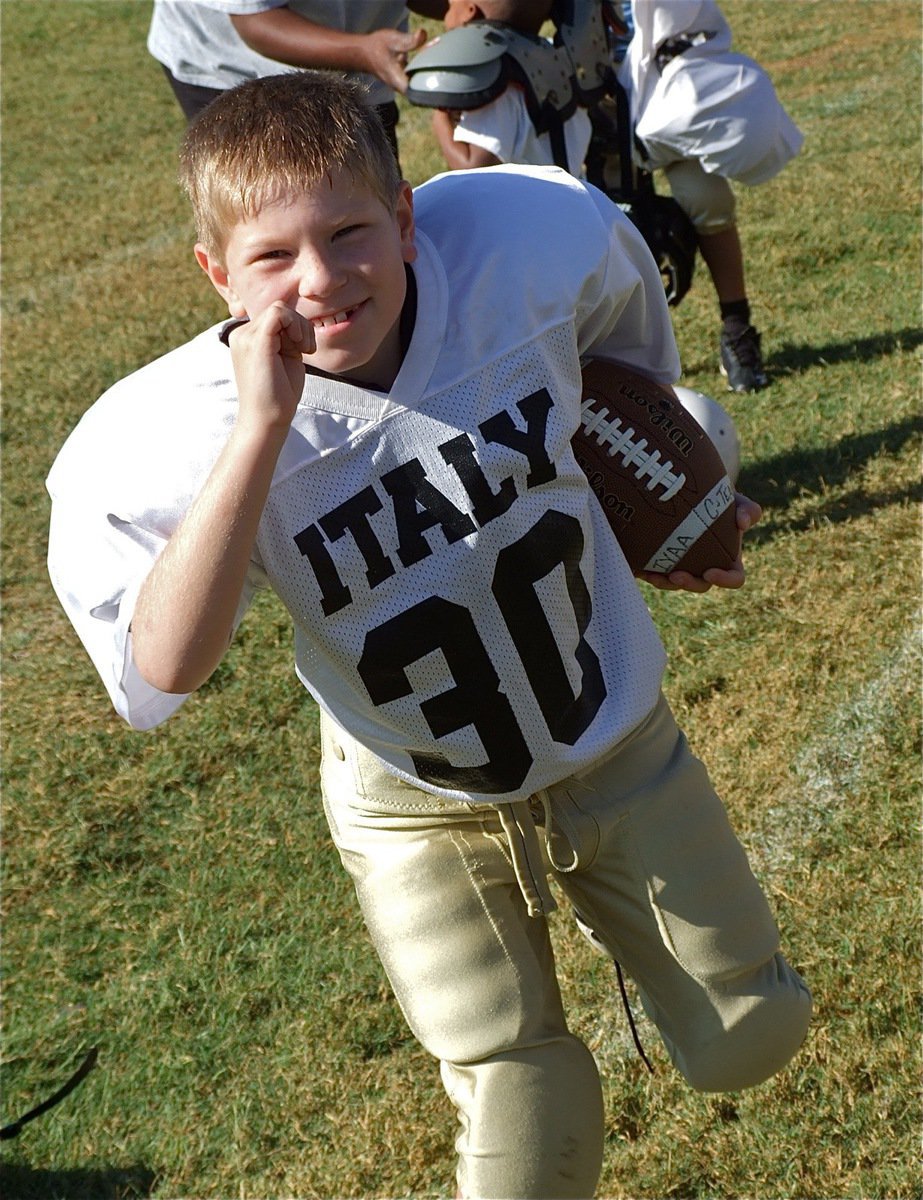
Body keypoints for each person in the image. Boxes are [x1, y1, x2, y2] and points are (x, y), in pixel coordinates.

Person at [46, 72, 811, 1199]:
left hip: (604, 722)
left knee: (752, 1034)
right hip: (414, 791)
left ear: (405, 215)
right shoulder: (166, 434)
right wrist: (261, 429)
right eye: (271, 258)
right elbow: (163, 667)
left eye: (349, 232)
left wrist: (661, 496)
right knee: (518, 1094)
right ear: (214, 273)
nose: (318, 281)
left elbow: (622, 365)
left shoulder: (525, 241)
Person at [616, 0, 804, 392]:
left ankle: (737, 331)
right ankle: (610, 363)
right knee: (606, 229)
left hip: (672, 87)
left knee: (709, 200)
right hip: (592, 95)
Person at [148, 0, 447, 157]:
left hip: (364, 53)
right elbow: (257, 22)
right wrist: (363, 53)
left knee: (373, 194)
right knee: (275, 208)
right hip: (232, 68)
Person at [429, 0, 593, 174]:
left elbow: (473, 165)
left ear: (469, 12)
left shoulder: (495, 82)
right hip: (571, 192)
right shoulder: (557, 57)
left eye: (450, 5)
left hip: (529, 198)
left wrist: (440, 116)